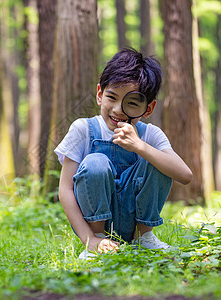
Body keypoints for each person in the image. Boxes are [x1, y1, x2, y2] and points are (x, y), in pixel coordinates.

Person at [55, 48, 193, 259]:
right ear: (100, 94)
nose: (118, 109)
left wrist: (140, 147)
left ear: (148, 108)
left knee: (156, 158)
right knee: (96, 162)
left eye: (132, 103)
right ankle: (98, 240)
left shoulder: (150, 135)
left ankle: (143, 239)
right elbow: (65, 189)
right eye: (112, 97)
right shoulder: (83, 129)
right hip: (94, 227)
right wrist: (88, 239)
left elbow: (185, 175)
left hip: (135, 223)